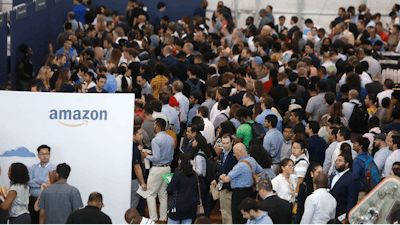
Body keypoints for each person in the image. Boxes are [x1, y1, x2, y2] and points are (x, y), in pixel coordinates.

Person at [220, 143, 263, 225]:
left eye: (235, 152)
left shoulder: (240, 166)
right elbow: (261, 171)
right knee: (248, 216)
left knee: (238, 217)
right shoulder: (252, 160)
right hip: (250, 191)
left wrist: (221, 177)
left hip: (239, 194)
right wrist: (250, 177)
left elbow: (227, 179)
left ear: (240, 152)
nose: (234, 155)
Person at [142, 118, 174, 222]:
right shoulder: (171, 138)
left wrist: (147, 156)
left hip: (157, 169)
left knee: (150, 194)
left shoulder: (156, 140)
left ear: (156, 125)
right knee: (163, 194)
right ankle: (163, 219)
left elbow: (156, 158)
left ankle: (153, 219)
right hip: (168, 169)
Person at [211, 134, 237, 225]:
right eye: (223, 143)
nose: (225, 145)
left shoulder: (234, 155)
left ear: (232, 142)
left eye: (227, 143)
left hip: (229, 185)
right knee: (224, 211)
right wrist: (216, 179)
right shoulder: (223, 154)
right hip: (223, 184)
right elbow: (222, 169)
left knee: (227, 212)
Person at [167, 153, 200, 224]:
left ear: (180, 161)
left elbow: (169, 189)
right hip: (191, 206)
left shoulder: (177, 174)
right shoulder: (195, 175)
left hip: (177, 205)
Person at [27, 144, 56, 224]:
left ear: (49, 154)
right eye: (42, 154)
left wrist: (35, 180)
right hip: (33, 199)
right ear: (38, 155)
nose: (45, 156)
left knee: (46, 222)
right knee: (33, 222)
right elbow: (28, 182)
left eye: (47, 153)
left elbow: (49, 182)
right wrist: (41, 183)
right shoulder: (33, 167)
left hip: (46, 200)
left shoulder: (53, 168)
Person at [131, 126, 146, 215]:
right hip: (134, 180)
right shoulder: (134, 148)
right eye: (139, 134)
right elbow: (137, 167)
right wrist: (143, 183)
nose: (142, 136)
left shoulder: (137, 146)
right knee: (133, 204)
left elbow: (141, 161)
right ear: (133, 135)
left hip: (134, 179)